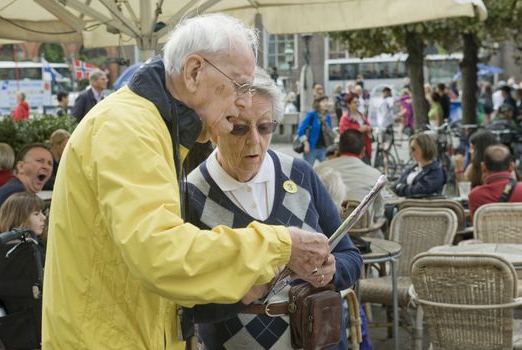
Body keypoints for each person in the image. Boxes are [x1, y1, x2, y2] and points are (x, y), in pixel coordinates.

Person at [41, 14, 330, 350]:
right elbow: (162, 257)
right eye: (240, 85)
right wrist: (282, 244)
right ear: (194, 72)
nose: (245, 102)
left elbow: (148, 269)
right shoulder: (128, 127)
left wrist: (237, 286)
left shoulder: (149, 126)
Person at [185, 69, 362, 350]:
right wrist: (240, 293)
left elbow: (351, 256)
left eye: (265, 127)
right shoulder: (193, 194)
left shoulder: (300, 173)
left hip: (317, 339)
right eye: (240, 128)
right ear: (215, 128)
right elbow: (186, 305)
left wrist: (332, 270)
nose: (255, 141)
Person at [0, 192, 46, 349]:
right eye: (36, 214)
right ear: (19, 217)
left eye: (42, 213)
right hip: (22, 329)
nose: (43, 218)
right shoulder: (13, 252)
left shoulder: (35, 247)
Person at [316, 129, 384, 237]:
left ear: (339, 149)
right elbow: (379, 212)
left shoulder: (319, 169)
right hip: (363, 235)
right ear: (363, 151)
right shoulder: (375, 175)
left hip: (326, 234)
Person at [0, 143, 52, 215]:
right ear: (21, 167)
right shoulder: (17, 194)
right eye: (40, 161)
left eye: (50, 163)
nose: (46, 167)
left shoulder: (15, 188)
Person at [468, 144, 522, 219]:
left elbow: (475, 224)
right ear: (511, 166)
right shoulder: (520, 189)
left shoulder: (475, 195)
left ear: (483, 166)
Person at [391, 132, 445, 198]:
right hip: (405, 205)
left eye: (413, 149)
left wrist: (401, 187)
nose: (411, 152)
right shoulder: (413, 167)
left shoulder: (435, 170)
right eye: (410, 149)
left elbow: (420, 190)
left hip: (419, 206)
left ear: (425, 148)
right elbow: (394, 186)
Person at [296, 96, 335, 166]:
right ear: (318, 103)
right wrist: (306, 143)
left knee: (328, 169)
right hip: (311, 149)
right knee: (307, 171)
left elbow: (330, 132)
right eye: (323, 102)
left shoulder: (327, 117)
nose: (326, 103)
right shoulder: (312, 114)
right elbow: (300, 130)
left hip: (324, 149)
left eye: (327, 101)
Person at [339, 93, 372, 163]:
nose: (357, 104)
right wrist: (359, 130)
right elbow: (344, 134)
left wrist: (368, 128)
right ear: (348, 104)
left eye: (358, 102)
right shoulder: (345, 118)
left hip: (364, 148)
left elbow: (369, 126)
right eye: (354, 102)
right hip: (352, 151)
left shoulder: (361, 115)